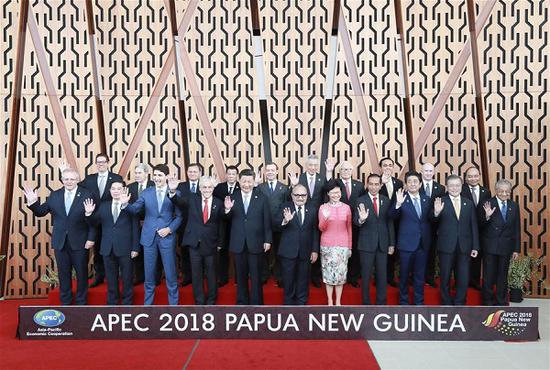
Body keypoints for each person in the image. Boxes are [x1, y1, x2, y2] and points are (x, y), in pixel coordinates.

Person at [23, 168, 96, 305]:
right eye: (66, 179)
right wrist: (33, 203)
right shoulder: (55, 195)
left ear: (77, 180)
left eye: (72, 179)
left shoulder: (87, 194)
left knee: (81, 274)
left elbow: (94, 221)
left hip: (81, 242)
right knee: (63, 275)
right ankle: (66, 303)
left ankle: (81, 303)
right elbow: (41, 212)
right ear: (62, 180)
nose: (69, 181)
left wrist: (91, 238)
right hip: (60, 242)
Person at [119, 164, 182, 305]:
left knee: (171, 274)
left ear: (166, 176)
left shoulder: (175, 193)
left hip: (167, 237)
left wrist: (169, 229)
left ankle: (174, 307)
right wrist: (125, 205)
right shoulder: (146, 192)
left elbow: (179, 216)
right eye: (155, 175)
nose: (157, 178)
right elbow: (135, 210)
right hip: (148, 238)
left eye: (160, 175)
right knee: (149, 275)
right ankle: (147, 307)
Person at [168, 175, 224, 305]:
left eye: (209, 187)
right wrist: (172, 191)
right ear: (199, 188)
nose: (207, 189)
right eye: (204, 187)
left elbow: (221, 224)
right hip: (194, 243)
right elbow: (178, 201)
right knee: (196, 274)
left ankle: (211, 300)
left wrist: (220, 243)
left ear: (213, 188)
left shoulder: (218, 202)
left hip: (211, 244)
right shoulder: (192, 199)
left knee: (211, 274)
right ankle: (199, 301)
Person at [84, 181, 140, 305]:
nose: (115, 191)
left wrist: (135, 248)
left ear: (124, 190)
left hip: (126, 248)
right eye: (113, 189)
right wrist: (89, 214)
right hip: (107, 248)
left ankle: (127, 304)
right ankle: (112, 304)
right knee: (111, 279)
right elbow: (94, 223)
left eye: (118, 188)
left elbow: (135, 228)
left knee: (127, 278)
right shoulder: (103, 206)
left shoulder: (131, 206)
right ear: (110, 191)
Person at [224, 169, 272, 305]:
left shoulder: (262, 198)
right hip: (238, 242)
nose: (246, 184)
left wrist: (268, 240)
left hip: (256, 242)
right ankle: (242, 302)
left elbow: (266, 221)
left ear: (254, 182)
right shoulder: (232, 197)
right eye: (244, 181)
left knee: (256, 276)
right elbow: (226, 220)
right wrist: (227, 210)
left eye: (249, 182)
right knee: (241, 275)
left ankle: (257, 303)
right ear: (239, 181)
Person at [288, 155, 335, 288]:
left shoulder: (322, 178)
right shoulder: (299, 178)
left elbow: (328, 193)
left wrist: (329, 173)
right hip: (301, 217)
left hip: (318, 217)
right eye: (310, 165)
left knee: (316, 245)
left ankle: (315, 276)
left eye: (315, 165)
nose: (313, 168)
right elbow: (290, 196)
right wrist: (292, 185)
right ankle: (299, 276)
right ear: (306, 165)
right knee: (301, 244)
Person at [78, 153, 123, 288]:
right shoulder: (89, 179)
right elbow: (75, 186)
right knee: (98, 249)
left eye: (103, 162)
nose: (101, 164)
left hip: (112, 219)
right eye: (98, 162)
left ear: (108, 162)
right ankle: (99, 276)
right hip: (95, 219)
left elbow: (121, 195)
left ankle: (114, 277)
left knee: (116, 248)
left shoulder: (116, 178)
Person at [433, 175, 479, 305]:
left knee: (463, 277)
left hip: (465, 246)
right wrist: (436, 213)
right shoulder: (440, 201)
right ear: (446, 187)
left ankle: (460, 302)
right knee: (445, 276)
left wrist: (475, 246)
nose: (454, 188)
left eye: (457, 185)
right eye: (451, 185)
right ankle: (446, 302)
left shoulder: (468, 203)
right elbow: (432, 222)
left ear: (461, 186)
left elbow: (473, 225)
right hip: (446, 246)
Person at [389, 171, 432, 305]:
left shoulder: (427, 200)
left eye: (415, 182)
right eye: (409, 182)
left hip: (423, 244)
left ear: (420, 184)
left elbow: (431, 219)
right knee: (404, 276)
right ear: (406, 184)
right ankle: (404, 303)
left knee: (420, 277)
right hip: (406, 244)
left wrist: (436, 212)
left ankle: (419, 303)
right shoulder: (400, 198)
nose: (412, 184)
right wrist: (398, 205)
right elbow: (391, 216)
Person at [354, 174, 395, 304]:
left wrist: (391, 244)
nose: (373, 187)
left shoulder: (386, 200)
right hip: (366, 244)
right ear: (367, 185)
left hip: (383, 244)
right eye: (371, 184)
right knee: (365, 276)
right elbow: (356, 221)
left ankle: (381, 304)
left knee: (382, 276)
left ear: (380, 185)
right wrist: (361, 219)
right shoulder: (360, 200)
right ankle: (366, 304)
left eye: (376, 184)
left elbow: (389, 223)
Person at [277, 184, 319, 305]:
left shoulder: (312, 209)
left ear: (307, 196)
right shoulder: (285, 207)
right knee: (288, 280)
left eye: (303, 195)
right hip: (288, 251)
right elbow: (275, 223)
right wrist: (285, 221)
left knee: (303, 280)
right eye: (297, 195)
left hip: (305, 252)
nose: (300, 198)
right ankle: (288, 305)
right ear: (292, 195)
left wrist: (314, 250)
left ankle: (301, 305)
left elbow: (314, 231)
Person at [480, 179, 520, 306]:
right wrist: (487, 216)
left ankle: (501, 302)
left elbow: (516, 228)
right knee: (489, 276)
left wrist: (516, 249)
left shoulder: (514, 206)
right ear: (496, 190)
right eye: (501, 191)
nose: (504, 194)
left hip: (506, 246)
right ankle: (487, 302)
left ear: (510, 192)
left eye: (507, 192)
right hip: (490, 246)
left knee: (502, 276)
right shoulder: (487, 203)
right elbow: (479, 225)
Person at [318, 180, 352, 306]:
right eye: (332, 192)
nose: (335, 195)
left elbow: (349, 228)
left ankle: (338, 300)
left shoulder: (347, 208)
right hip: (327, 245)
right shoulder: (323, 207)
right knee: (328, 274)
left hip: (342, 245)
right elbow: (321, 228)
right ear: (328, 193)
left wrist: (349, 247)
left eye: (337, 192)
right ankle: (330, 300)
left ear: (341, 193)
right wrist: (325, 218)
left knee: (340, 275)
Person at [257, 162, 289, 286]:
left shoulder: (284, 187)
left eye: (272, 170)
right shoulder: (260, 187)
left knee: (279, 252)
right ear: (265, 172)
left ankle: (279, 277)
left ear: (277, 172)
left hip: (279, 226)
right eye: (268, 170)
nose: (270, 172)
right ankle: (263, 276)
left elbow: (286, 206)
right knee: (263, 253)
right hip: (264, 226)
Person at [127, 163, 159, 286]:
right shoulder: (130, 187)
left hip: (151, 224)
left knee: (153, 252)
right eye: (135, 173)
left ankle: (155, 277)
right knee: (137, 251)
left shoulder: (154, 186)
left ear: (146, 173)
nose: (137, 175)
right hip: (135, 225)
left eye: (139, 173)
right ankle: (139, 276)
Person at [461, 165, 491, 290]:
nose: (473, 178)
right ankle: (462, 281)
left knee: (477, 257)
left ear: (479, 176)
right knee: (462, 257)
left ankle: (474, 281)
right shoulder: (460, 190)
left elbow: (487, 210)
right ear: (465, 178)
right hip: (464, 229)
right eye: (470, 176)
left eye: (475, 176)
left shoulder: (486, 191)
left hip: (480, 230)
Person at [336, 161, 365, 288]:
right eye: (343, 169)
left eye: (348, 169)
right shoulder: (335, 184)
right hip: (339, 224)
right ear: (340, 171)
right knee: (340, 251)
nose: (346, 172)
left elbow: (363, 202)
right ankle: (339, 276)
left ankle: (353, 277)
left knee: (354, 251)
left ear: (352, 171)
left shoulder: (359, 185)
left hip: (356, 224)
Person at [174, 163, 203, 287]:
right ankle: (187, 277)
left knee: (201, 252)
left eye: (195, 171)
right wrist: (172, 191)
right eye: (190, 171)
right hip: (185, 226)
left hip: (202, 226)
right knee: (185, 253)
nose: (192, 174)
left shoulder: (205, 185)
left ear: (200, 173)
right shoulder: (180, 186)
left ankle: (201, 276)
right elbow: (177, 203)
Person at [419, 162, 446, 287]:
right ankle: (416, 277)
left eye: (430, 171)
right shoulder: (416, 185)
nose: (428, 173)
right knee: (417, 252)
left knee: (431, 254)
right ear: (422, 172)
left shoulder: (440, 188)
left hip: (433, 227)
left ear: (433, 172)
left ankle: (429, 277)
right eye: (426, 171)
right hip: (418, 225)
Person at [213, 165, 240, 287]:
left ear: (236, 175)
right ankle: (222, 278)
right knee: (222, 253)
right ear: (226, 175)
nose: (231, 176)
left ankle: (239, 279)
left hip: (237, 224)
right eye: (229, 174)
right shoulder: (219, 188)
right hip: (222, 225)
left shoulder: (242, 187)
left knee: (238, 253)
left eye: (233, 174)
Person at [378, 157, 403, 287]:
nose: (388, 167)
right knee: (380, 250)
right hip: (380, 221)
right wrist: (381, 183)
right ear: (381, 168)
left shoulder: (399, 183)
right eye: (385, 165)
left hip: (395, 222)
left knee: (392, 251)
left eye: (390, 165)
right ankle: (378, 278)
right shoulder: (376, 181)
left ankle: (390, 277)